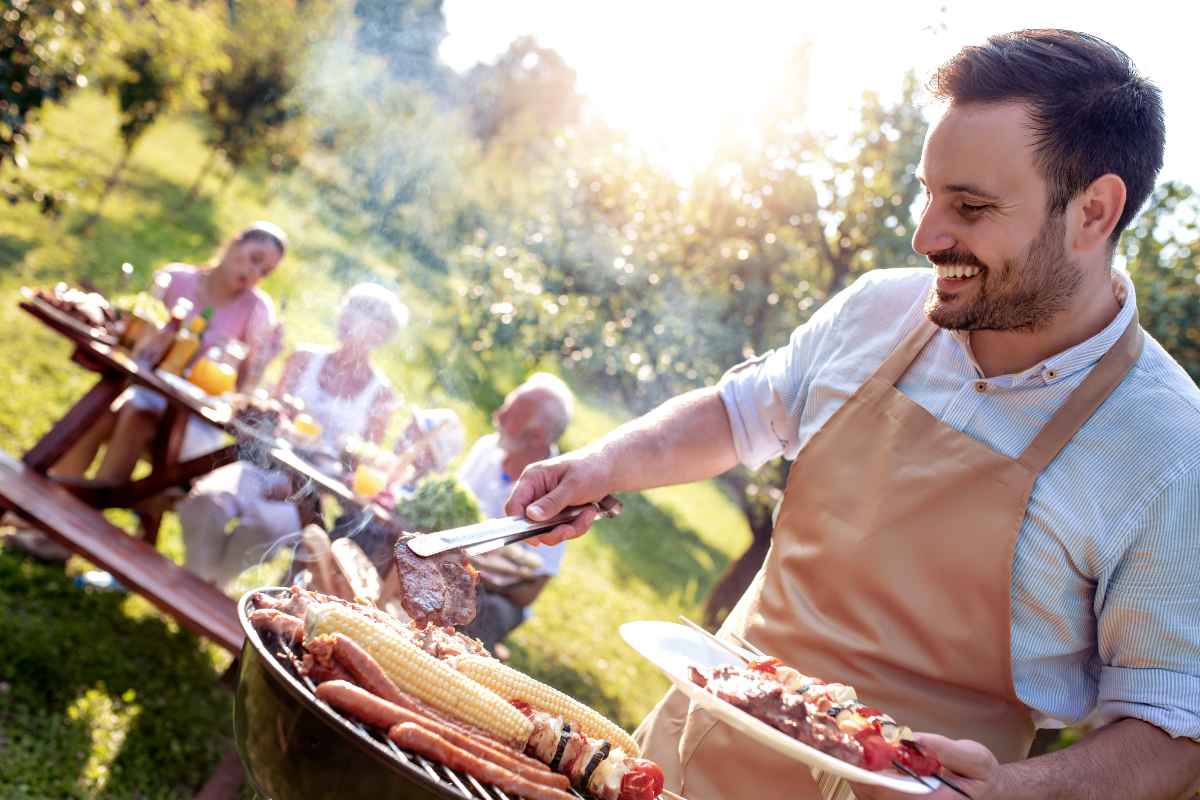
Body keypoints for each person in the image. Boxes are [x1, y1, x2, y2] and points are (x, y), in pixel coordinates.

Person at [504, 30, 1200, 800]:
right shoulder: (878, 311)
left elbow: (1172, 723)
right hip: (679, 762)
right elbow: (736, 416)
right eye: (928, 192)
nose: (926, 235)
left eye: (968, 206)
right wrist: (606, 463)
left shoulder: (1168, 449)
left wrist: (1015, 793)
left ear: (1094, 213)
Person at [6, 222, 287, 563]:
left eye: (265, 270)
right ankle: (45, 519)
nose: (254, 272)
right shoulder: (175, 279)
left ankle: (56, 528)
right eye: (253, 258)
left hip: (196, 421)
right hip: (144, 394)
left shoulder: (257, 310)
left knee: (133, 415)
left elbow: (244, 392)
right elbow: (136, 330)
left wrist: (263, 357)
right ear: (234, 243)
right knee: (107, 416)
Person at [177, 282, 405, 591]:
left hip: (309, 493)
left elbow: (361, 463)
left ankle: (210, 585)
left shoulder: (380, 394)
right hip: (263, 463)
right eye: (345, 315)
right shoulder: (304, 358)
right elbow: (269, 412)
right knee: (207, 501)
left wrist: (298, 487)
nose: (345, 324)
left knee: (264, 524)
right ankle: (199, 584)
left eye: (358, 321)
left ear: (379, 336)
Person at [457, 373, 574, 653]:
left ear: (536, 436)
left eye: (509, 414)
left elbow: (527, 594)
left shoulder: (559, 494)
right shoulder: (487, 448)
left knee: (480, 612)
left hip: (497, 595)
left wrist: (481, 572)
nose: (497, 415)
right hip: (453, 565)